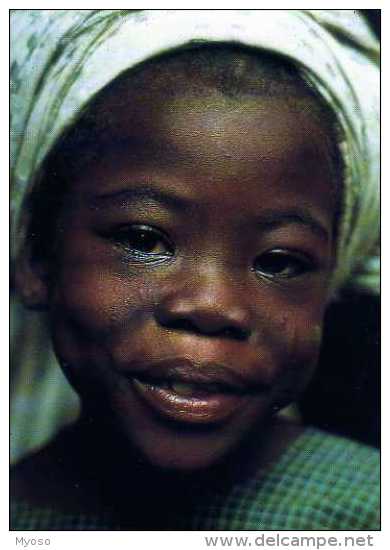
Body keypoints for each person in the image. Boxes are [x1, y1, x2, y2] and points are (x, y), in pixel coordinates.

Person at [10, 10, 380, 530]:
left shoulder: (362, 513)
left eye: (280, 261)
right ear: (36, 257)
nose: (212, 306)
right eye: (143, 239)